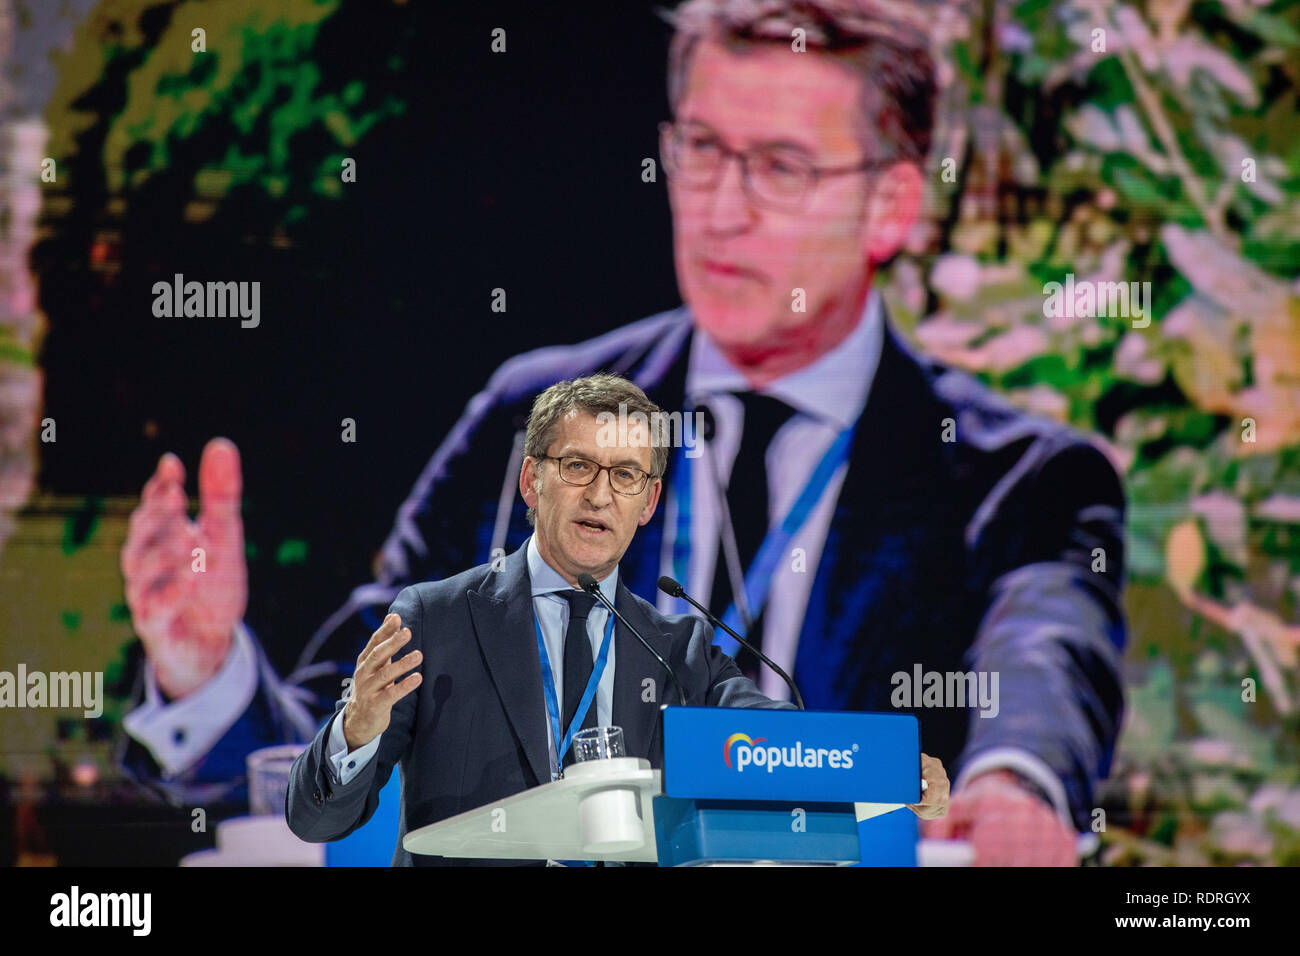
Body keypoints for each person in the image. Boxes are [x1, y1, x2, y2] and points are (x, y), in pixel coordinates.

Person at [120, 0, 1123, 865]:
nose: (719, 209)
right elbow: (346, 739)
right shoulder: (535, 410)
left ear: (889, 205)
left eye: (778, 165)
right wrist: (209, 673)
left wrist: (1015, 779)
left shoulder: (1018, 481)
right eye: (700, 149)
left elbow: (1045, 661)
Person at [283, 374, 951, 865]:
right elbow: (316, 821)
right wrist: (354, 729)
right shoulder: (434, 618)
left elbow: (768, 740)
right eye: (577, 466)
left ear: (650, 502)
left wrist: (888, 771)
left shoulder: (679, 648)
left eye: (626, 475)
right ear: (530, 481)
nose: (600, 494)